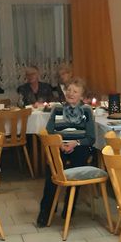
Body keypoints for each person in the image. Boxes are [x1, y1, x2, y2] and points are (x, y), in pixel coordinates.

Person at [36, 77, 96, 226]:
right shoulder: (57, 109)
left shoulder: (87, 110)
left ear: (81, 95)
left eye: (75, 91)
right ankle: (46, 211)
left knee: (77, 167)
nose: (70, 93)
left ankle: (70, 207)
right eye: (69, 90)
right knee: (53, 172)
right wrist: (59, 143)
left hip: (79, 146)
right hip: (60, 146)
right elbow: (49, 132)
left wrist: (76, 143)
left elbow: (91, 138)